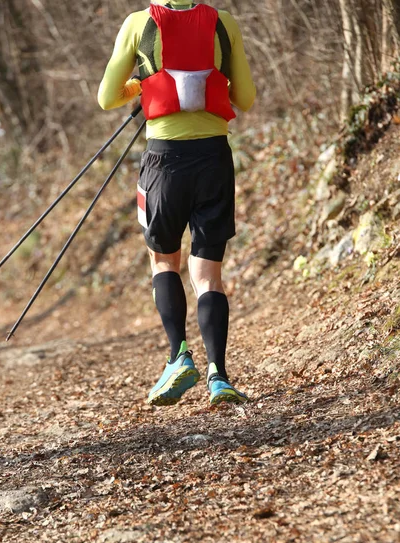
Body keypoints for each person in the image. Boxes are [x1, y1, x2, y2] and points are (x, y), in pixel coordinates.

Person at [98, 0, 256, 407]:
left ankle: (178, 356)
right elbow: (247, 98)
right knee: (209, 275)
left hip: (164, 160)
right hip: (214, 159)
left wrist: (141, 84)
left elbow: (106, 98)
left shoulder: (138, 24)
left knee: (164, 261)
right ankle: (219, 376)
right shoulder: (225, 23)